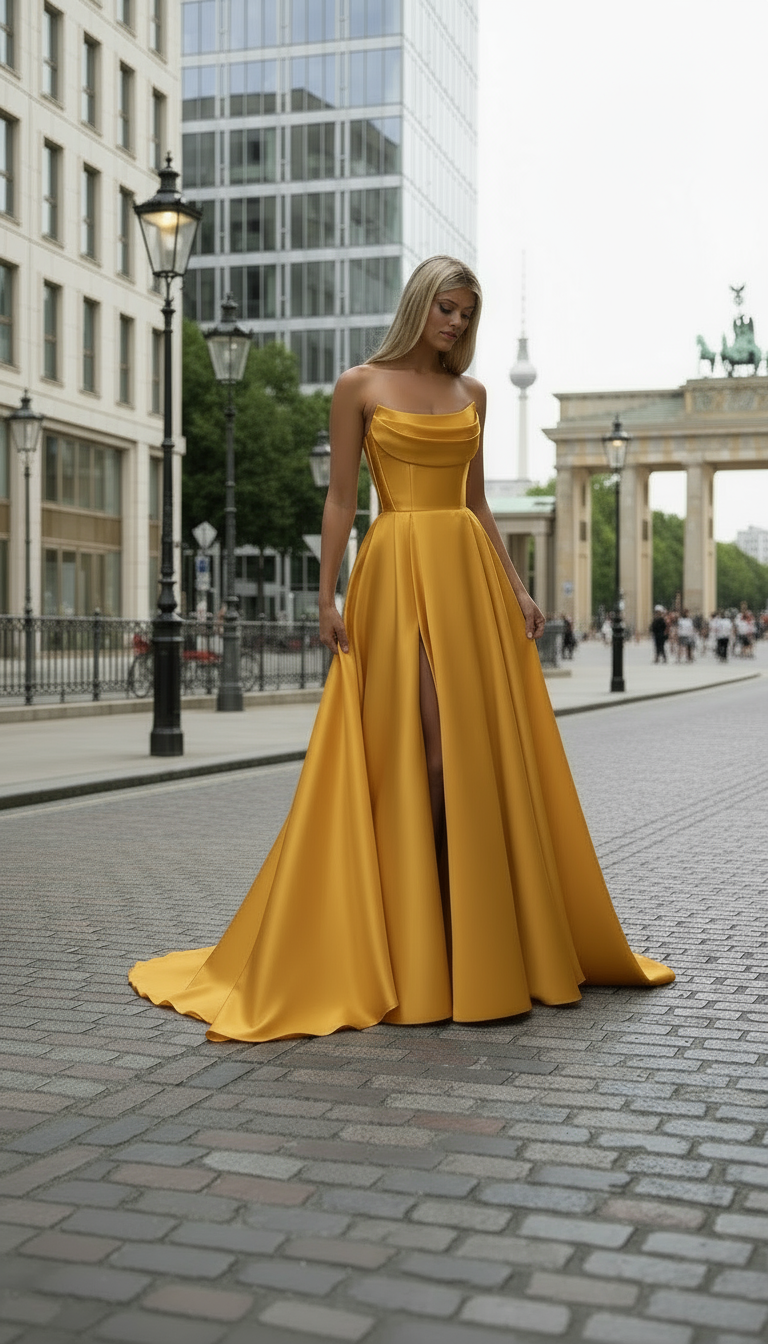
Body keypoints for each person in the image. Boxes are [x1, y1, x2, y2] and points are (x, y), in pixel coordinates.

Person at [129, 256, 673, 1042]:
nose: (454, 324)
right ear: (421, 304)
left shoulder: (474, 395)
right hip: (392, 572)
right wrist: (326, 595)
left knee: (469, 755)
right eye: (446, 308)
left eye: (465, 314)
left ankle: (467, 932)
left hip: (467, 578)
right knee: (420, 752)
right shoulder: (359, 386)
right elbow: (342, 497)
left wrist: (518, 587)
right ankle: (411, 936)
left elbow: (479, 502)